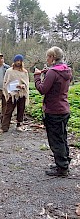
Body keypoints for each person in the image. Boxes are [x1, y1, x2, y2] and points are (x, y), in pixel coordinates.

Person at [34, 46, 72, 177]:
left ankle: (61, 168)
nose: (47, 59)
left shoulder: (52, 73)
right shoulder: (66, 70)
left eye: (48, 56)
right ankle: (64, 162)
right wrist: (48, 72)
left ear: (53, 57)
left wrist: (37, 77)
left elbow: (42, 89)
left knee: (55, 140)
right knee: (62, 137)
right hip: (64, 108)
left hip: (54, 110)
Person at [0, 54, 29, 133]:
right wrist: (11, 88)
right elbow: (5, 82)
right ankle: (4, 127)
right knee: (8, 111)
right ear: (14, 61)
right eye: (17, 61)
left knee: (21, 110)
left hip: (21, 94)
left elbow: (26, 83)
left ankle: (19, 125)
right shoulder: (9, 71)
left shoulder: (24, 72)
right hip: (12, 94)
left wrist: (22, 86)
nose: (18, 62)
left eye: (20, 61)